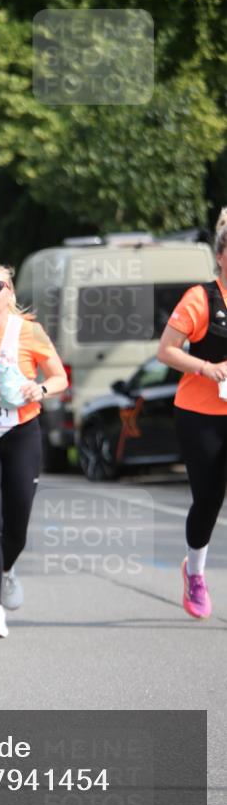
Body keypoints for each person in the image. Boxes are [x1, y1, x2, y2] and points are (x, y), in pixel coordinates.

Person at [0, 264, 68, 638]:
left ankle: (6, 568)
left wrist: (40, 389)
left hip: (22, 433)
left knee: (16, 527)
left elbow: (59, 377)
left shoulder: (29, 332)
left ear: (10, 293)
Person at [157, 210, 227, 619]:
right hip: (201, 413)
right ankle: (195, 572)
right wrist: (206, 368)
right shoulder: (201, 299)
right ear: (220, 256)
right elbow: (166, 350)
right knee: (209, 498)